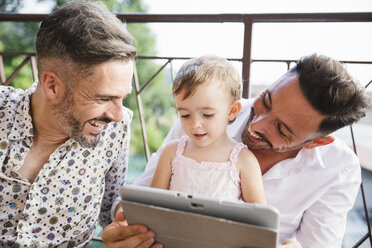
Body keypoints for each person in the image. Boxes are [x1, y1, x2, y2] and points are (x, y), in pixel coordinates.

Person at [103, 54, 369, 248]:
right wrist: (126, 230)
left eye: (282, 129)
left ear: (316, 142)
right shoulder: (205, 115)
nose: (256, 124)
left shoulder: (339, 170)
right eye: (266, 101)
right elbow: (143, 198)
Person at [0, 1, 158, 247]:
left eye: (122, 98)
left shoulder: (118, 127)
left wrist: (125, 224)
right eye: (104, 98)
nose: (118, 115)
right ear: (52, 85)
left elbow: (112, 203)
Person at [150, 56, 267, 204]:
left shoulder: (244, 160)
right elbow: (153, 205)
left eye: (207, 115)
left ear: (232, 110)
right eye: (185, 115)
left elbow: (259, 218)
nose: (195, 124)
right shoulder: (171, 153)